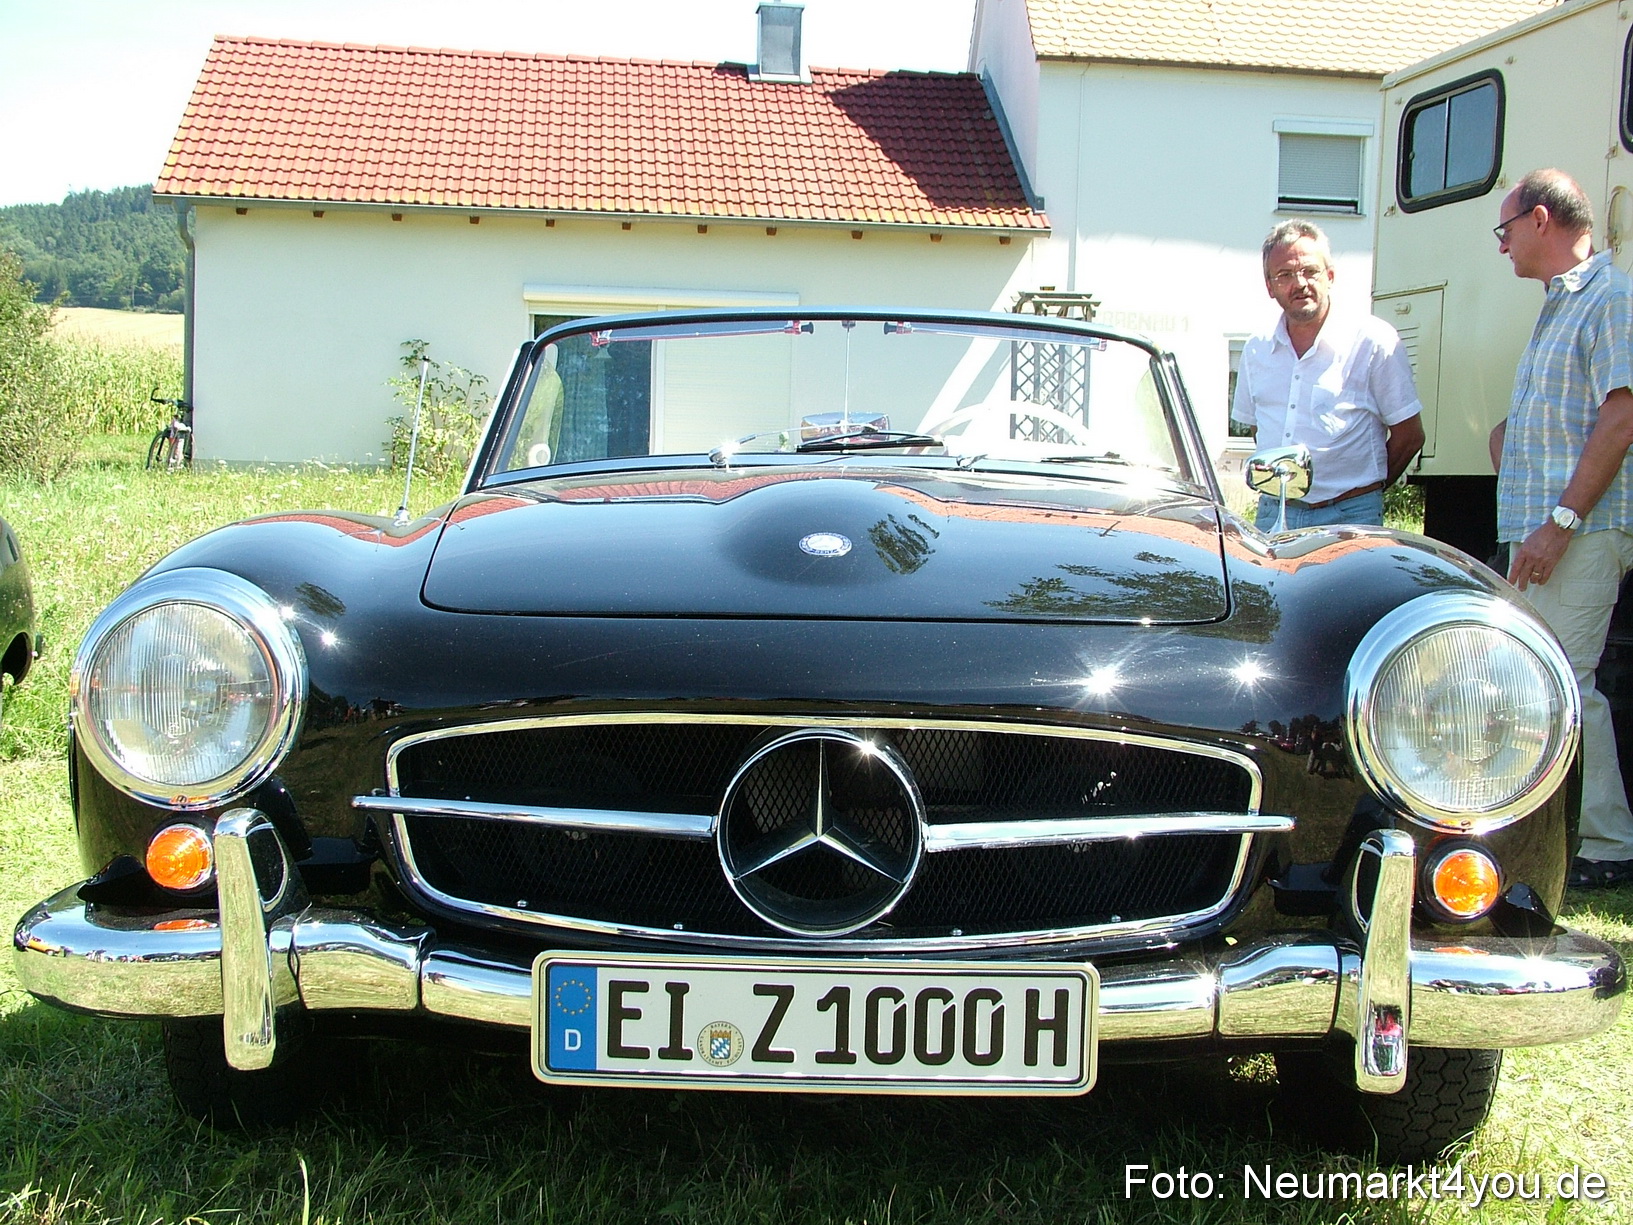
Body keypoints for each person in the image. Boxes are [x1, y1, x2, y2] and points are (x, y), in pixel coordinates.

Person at [1488, 168, 1633, 889]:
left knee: (1566, 684)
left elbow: (1621, 416)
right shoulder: (1558, 304)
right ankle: (1560, 828)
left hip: (1577, 530)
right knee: (1538, 680)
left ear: (1540, 220)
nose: (1501, 245)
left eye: (1504, 229)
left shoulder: (1608, 297)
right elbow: (1562, 418)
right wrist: (1506, 444)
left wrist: (1561, 520)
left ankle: (1605, 844)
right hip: (1540, 527)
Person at [1231, 219, 1425, 531]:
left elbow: (1410, 435)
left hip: (1350, 516)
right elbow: (1260, 430)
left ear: (1330, 276)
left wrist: (1363, 490)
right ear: (1269, 286)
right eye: (1284, 275)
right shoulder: (1256, 349)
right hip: (1273, 512)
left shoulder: (1373, 341)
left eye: (1310, 271)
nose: (1300, 283)